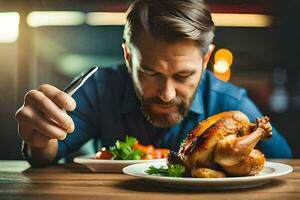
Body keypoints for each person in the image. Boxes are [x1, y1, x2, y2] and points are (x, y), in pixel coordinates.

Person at [15, 0, 292, 167]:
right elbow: (47, 153)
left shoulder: (233, 104)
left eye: (183, 76)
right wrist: (39, 139)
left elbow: (287, 166)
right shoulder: (101, 88)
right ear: (127, 56)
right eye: (150, 72)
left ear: (206, 59)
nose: (167, 94)